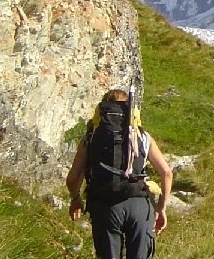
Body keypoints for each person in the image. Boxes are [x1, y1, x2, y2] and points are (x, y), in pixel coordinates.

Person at [66, 89, 173, 258]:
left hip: (104, 206)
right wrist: (161, 208)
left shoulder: (91, 137)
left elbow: (72, 178)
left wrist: (75, 199)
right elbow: (166, 173)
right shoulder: (143, 137)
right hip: (138, 204)